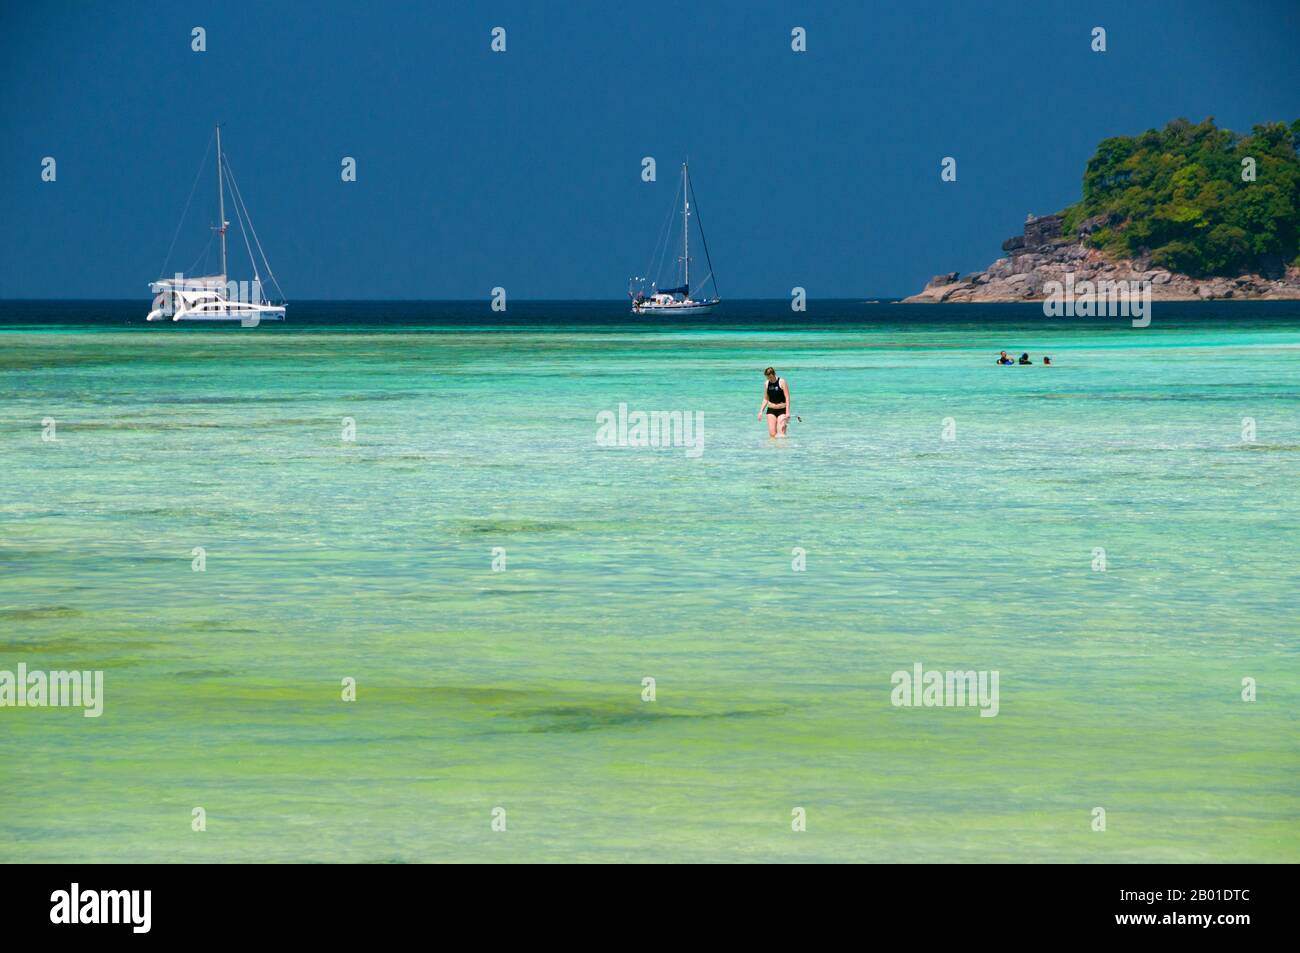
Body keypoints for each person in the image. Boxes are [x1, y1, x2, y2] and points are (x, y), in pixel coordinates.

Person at [758, 366, 792, 437]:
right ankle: (773, 448)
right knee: (772, 434)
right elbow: (765, 398)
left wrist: (787, 412)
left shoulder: (782, 381)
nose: (769, 379)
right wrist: (761, 411)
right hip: (771, 410)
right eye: (767, 377)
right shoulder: (766, 383)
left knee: (781, 434)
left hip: (782, 410)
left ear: (774, 374)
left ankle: (783, 447)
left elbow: (787, 397)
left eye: (770, 377)